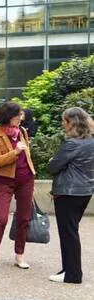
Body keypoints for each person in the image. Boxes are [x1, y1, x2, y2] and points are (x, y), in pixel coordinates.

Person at [0, 102, 33, 272]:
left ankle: (20, 255)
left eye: (21, 115)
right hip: (4, 180)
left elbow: (27, 154)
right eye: (17, 115)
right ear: (8, 116)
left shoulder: (22, 131)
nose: (20, 118)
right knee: (2, 218)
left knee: (24, 218)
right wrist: (15, 152)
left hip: (26, 179)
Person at [48, 107, 94, 284]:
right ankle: (68, 269)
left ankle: (72, 274)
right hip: (85, 191)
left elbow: (53, 167)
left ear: (71, 123)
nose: (62, 124)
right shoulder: (90, 142)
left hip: (68, 192)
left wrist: (53, 161)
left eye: (64, 120)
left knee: (68, 233)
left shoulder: (72, 144)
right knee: (71, 231)